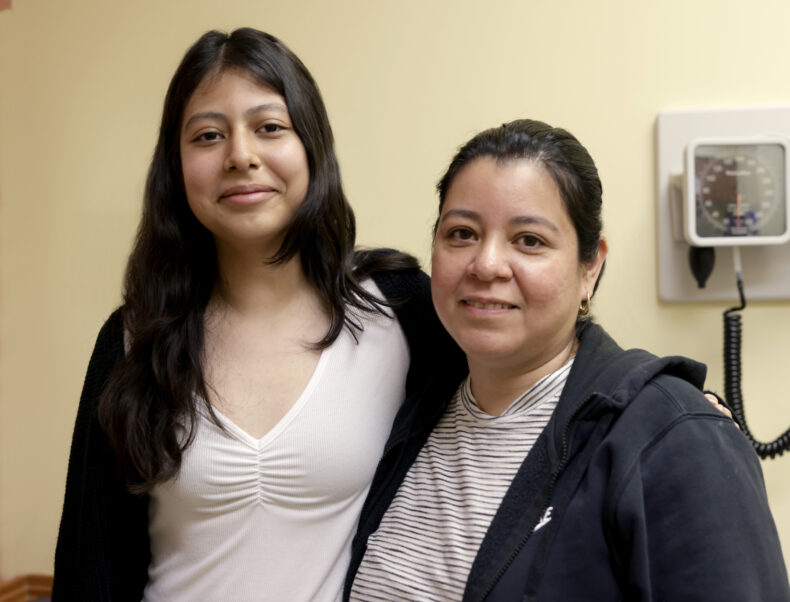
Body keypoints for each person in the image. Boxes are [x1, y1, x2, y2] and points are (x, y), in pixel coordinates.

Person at [52, 28, 465, 601]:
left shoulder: (398, 308)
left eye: (270, 127)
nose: (240, 155)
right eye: (208, 135)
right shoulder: (131, 338)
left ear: (312, 147)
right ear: (176, 165)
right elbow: (89, 566)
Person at [347, 119, 790, 601]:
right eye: (461, 233)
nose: (486, 264)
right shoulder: (410, 398)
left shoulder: (673, 438)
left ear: (589, 267)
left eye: (529, 240)